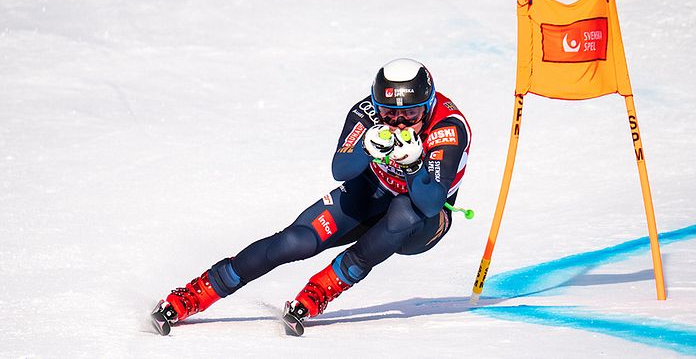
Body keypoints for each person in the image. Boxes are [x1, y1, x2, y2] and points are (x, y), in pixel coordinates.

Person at [150, 57, 472, 336]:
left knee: (404, 211)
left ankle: (322, 288)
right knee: (295, 241)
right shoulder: (365, 113)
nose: (400, 123)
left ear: (428, 106)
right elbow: (342, 168)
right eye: (389, 115)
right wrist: (365, 148)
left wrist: (415, 165)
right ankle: (198, 292)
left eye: (411, 114)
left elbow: (430, 202)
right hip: (373, 191)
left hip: (423, 219)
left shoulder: (449, 127)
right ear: (376, 108)